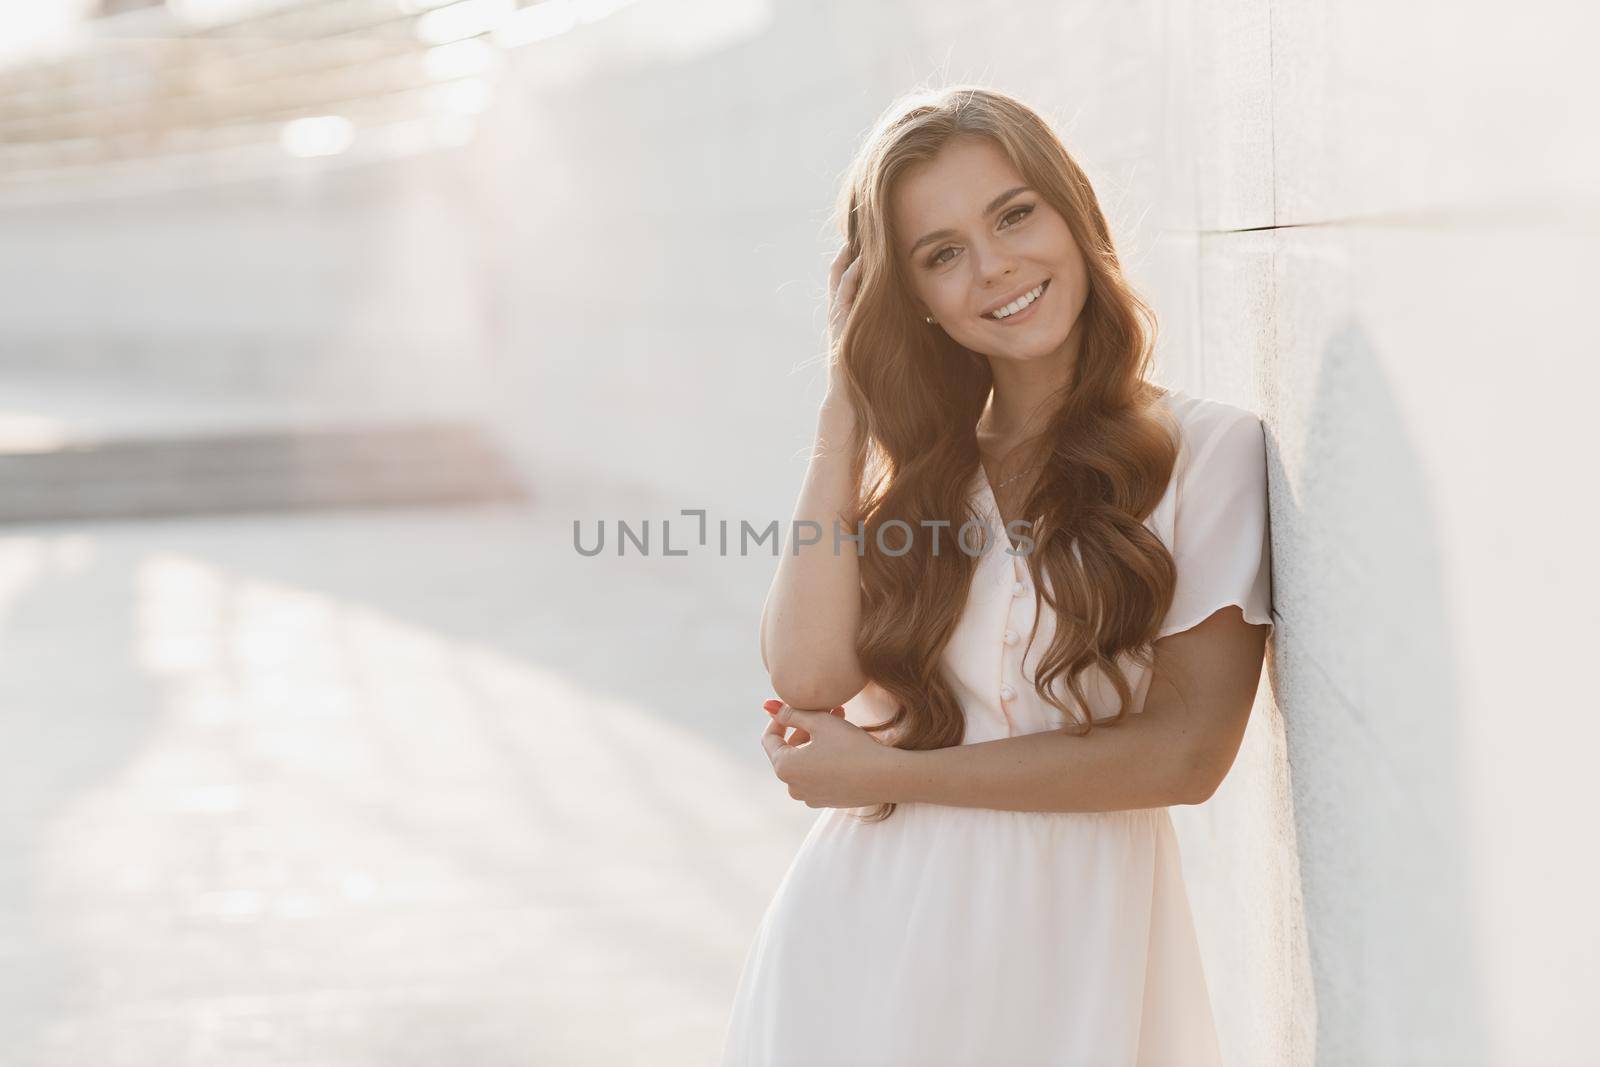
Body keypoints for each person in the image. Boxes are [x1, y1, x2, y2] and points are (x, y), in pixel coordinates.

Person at [720, 85, 1273, 1067]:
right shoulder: (920, 479)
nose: (996, 268)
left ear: (1073, 211)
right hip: (857, 954)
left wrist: (891, 773)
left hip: (1074, 953)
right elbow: (805, 678)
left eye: (1014, 214)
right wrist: (843, 417)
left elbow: (1185, 755)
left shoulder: (1203, 450)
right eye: (941, 254)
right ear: (914, 300)